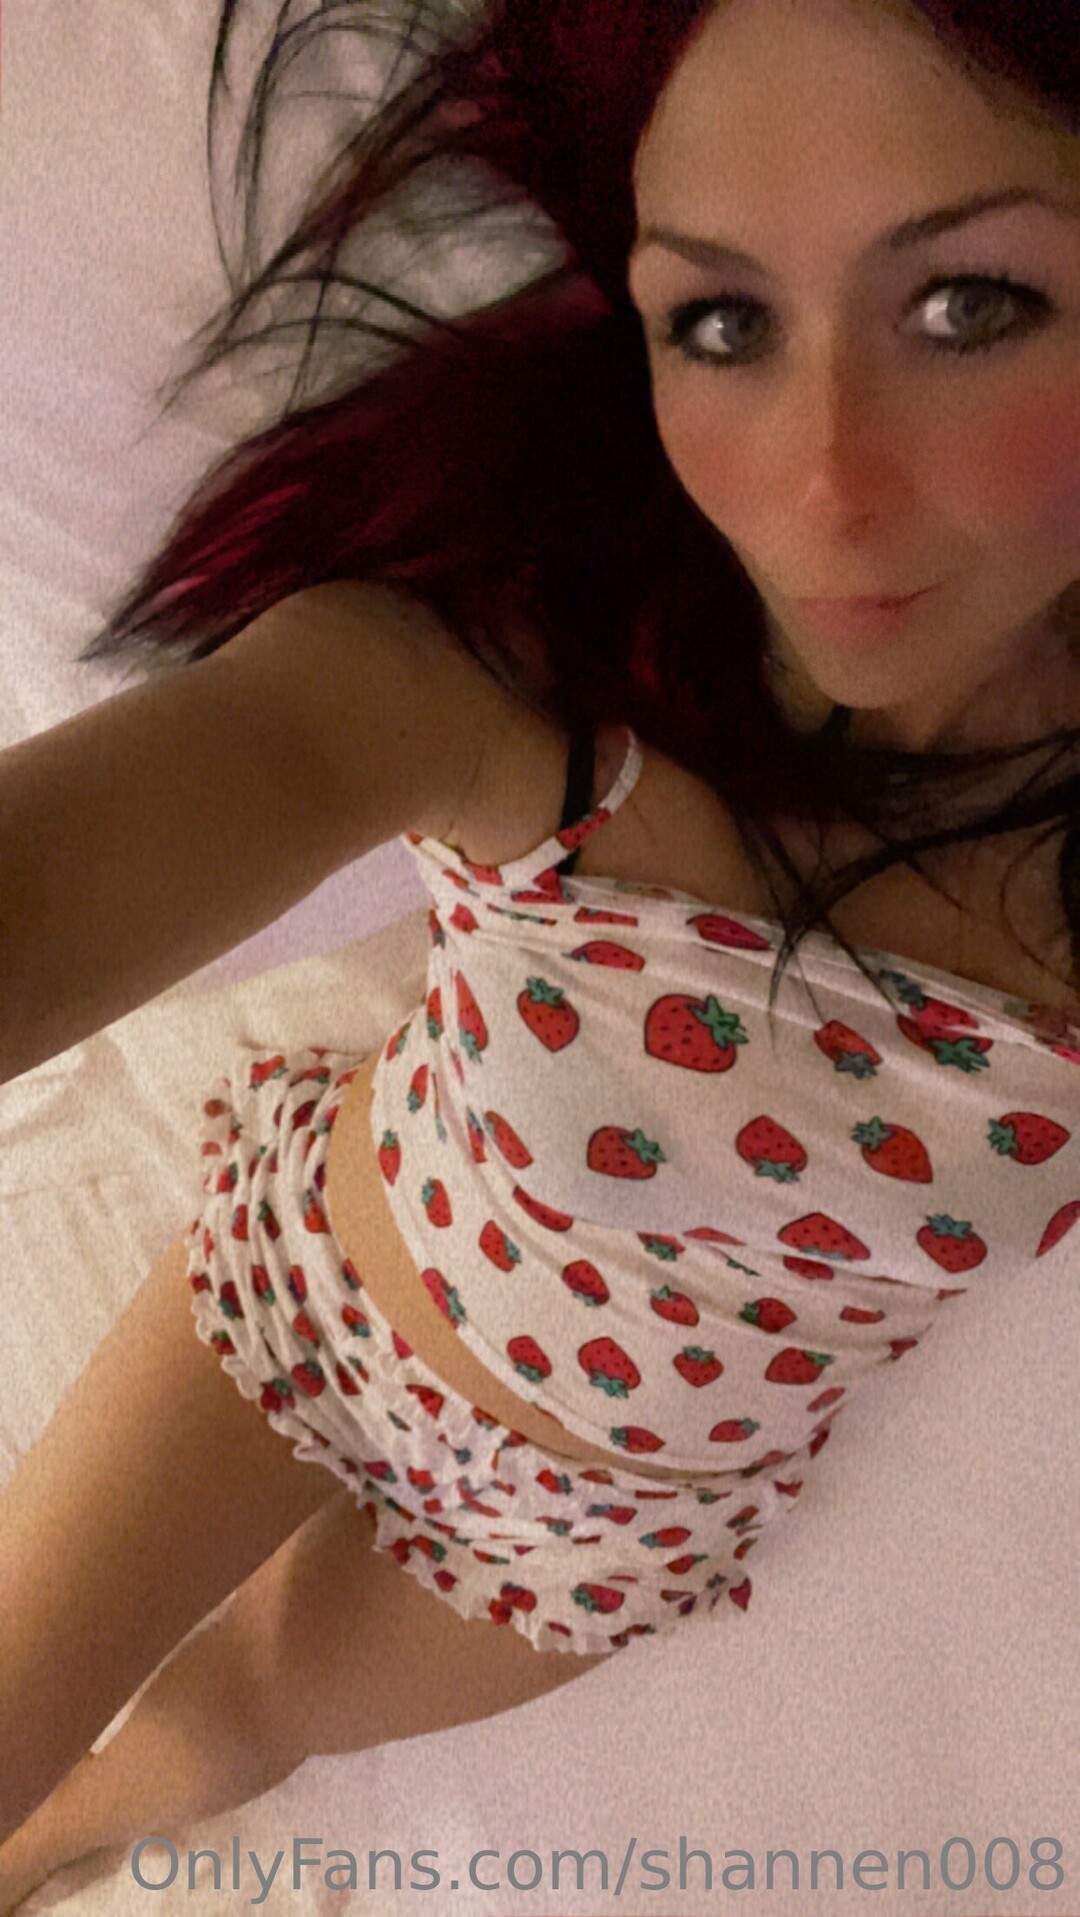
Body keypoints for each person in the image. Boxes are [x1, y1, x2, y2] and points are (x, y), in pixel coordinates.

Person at [1, 0, 1077, 1902]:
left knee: (238, 1718)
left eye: (969, 304)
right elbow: (238, 761)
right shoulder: (521, 697)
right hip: (313, 1295)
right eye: (723, 321)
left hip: (594, 1534)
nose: (823, 483)